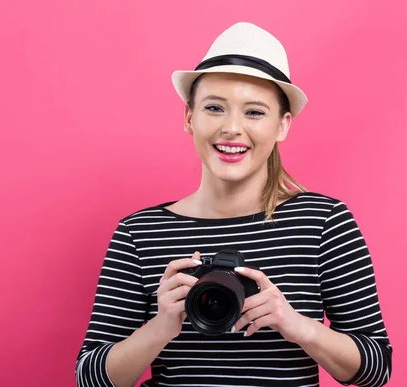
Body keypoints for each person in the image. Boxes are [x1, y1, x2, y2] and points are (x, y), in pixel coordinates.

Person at [75, 22, 392, 387]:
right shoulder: (139, 233)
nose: (232, 128)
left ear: (282, 126)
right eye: (214, 108)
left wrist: (297, 325)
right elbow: (90, 377)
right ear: (189, 118)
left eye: (254, 112)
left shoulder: (323, 222)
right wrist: (160, 328)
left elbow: (376, 368)